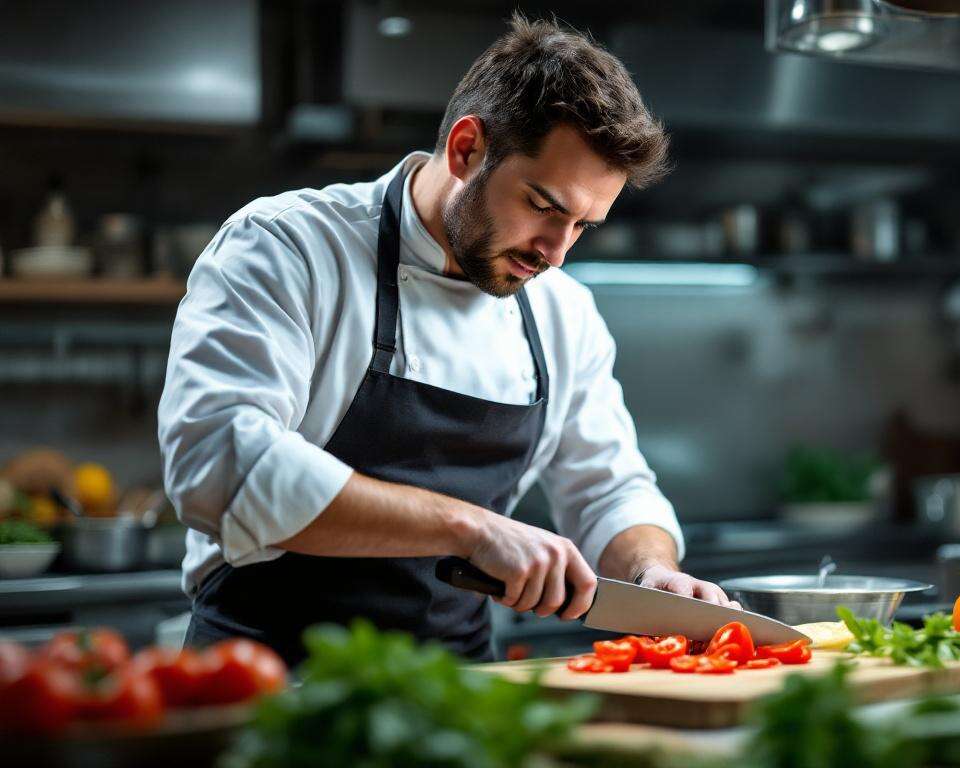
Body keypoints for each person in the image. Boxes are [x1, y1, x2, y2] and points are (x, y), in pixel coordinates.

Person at [158, 14, 732, 665]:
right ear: (466, 150)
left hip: (452, 690)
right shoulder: (289, 246)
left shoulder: (563, 314)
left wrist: (652, 570)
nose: (557, 253)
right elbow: (218, 462)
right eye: (545, 207)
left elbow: (609, 488)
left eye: (583, 225)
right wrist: (469, 527)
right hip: (265, 678)